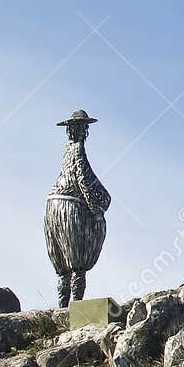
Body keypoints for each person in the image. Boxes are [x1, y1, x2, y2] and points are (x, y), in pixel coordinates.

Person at [44, 110, 111, 307]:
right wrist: (97, 207)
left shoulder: (66, 152)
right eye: (81, 127)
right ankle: (75, 306)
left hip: (53, 204)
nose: (82, 131)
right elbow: (83, 178)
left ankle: (63, 305)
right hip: (69, 206)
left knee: (63, 265)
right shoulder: (77, 150)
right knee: (78, 260)